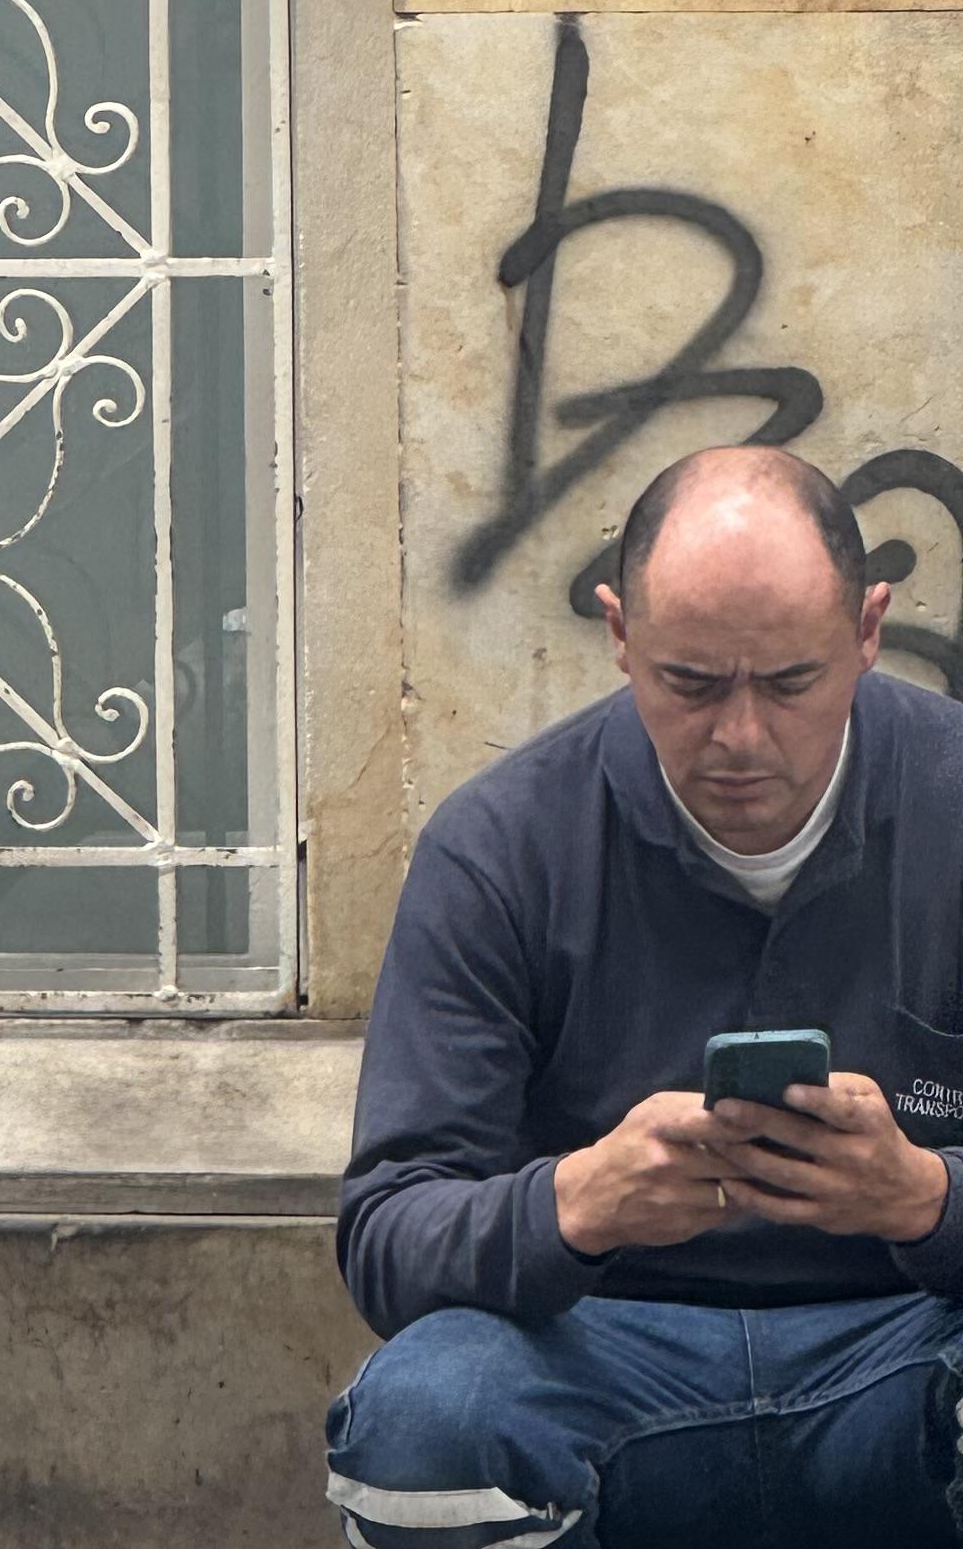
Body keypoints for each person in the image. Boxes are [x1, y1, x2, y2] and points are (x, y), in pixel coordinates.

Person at [326, 445, 963, 1545]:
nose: (741, 737)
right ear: (619, 634)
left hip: (906, 1355)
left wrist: (924, 1198)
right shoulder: (501, 845)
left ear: (869, 629)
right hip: (600, 1353)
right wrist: (571, 1206)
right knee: (425, 1420)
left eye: (791, 683)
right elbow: (388, 1232)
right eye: (692, 683)